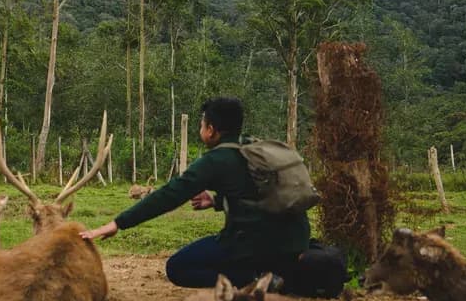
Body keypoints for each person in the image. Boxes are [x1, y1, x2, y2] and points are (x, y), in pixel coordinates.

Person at [80, 97, 310, 288]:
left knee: (179, 267)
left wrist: (117, 223)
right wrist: (217, 200)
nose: (200, 130)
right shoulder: (252, 148)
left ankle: (255, 280)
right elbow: (256, 193)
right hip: (293, 242)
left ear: (211, 130)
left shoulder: (216, 159)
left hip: (253, 245)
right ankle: (277, 274)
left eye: (202, 125)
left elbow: (169, 195)